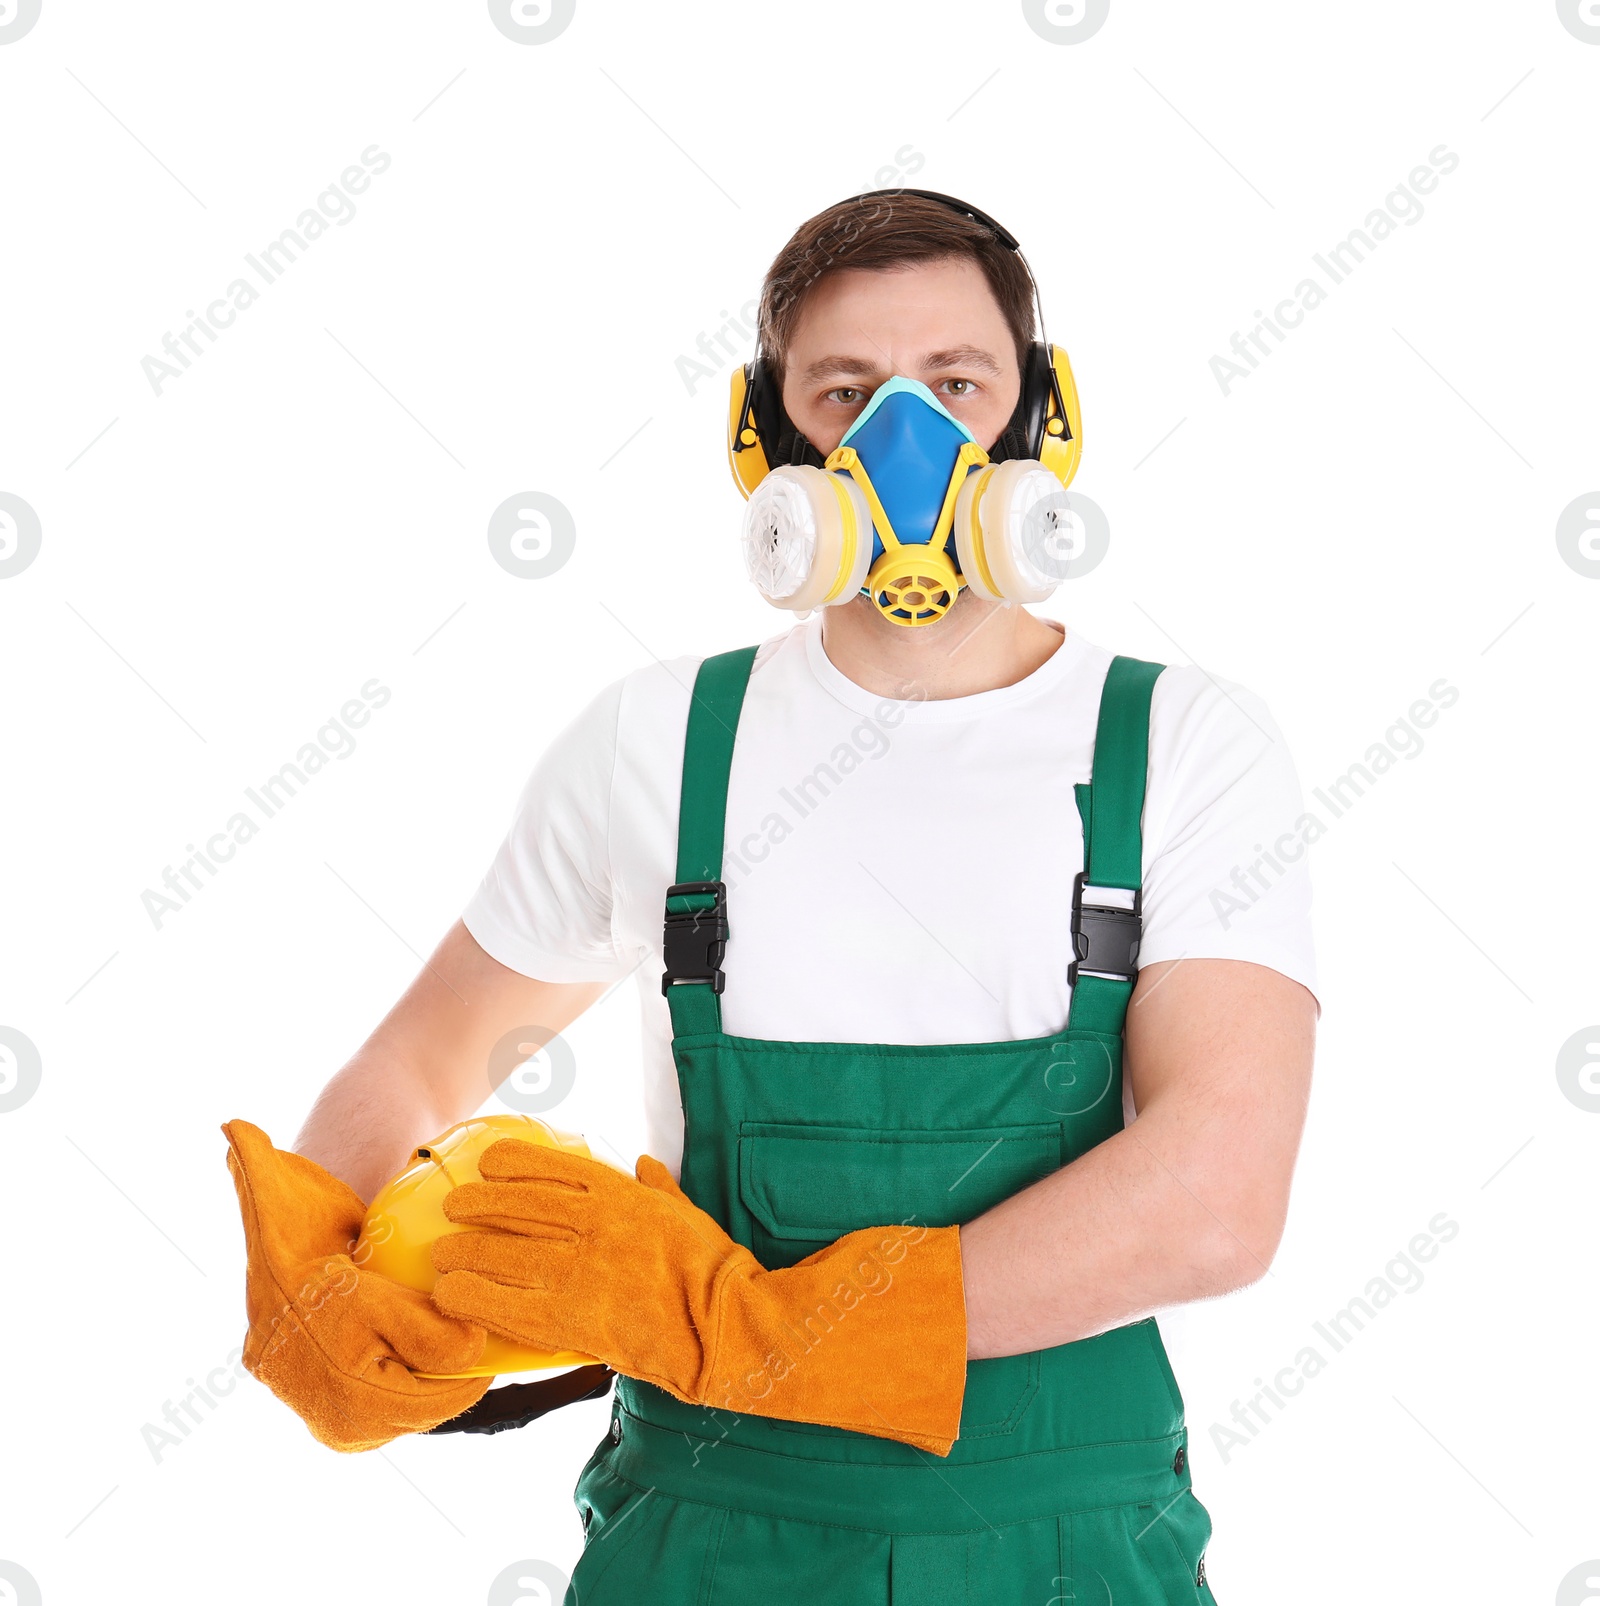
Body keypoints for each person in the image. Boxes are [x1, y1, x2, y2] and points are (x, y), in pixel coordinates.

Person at [224, 190, 1318, 1603]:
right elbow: (424, 1056)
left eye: (959, 385)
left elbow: (1217, 1198)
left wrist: (754, 1329)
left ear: (1043, 421)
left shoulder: (1181, 743)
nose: (904, 440)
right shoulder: (662, 742)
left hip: (1067, 1546)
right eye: (846, 390)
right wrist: (328, 1268)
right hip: (704, 1537)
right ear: (769, 439)